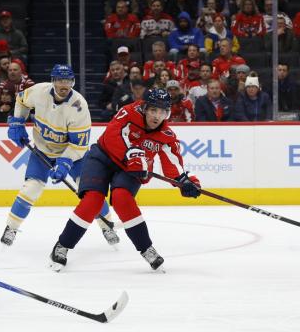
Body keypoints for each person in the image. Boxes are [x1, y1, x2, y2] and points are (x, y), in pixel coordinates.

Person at [48, 89, 201, 272]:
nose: (157, 116)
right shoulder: (128, 112)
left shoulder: (166, 136)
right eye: (153, 110)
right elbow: (113, 135)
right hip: (102, 158)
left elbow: (172, 163)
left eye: (162, 112)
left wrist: (184, 182)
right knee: (93, 201)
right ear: (144, 108)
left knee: (122, 199)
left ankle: (146, 249)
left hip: (131, 168)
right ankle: (62, 245)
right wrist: (132, 154)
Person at [2, 64, 118, 247]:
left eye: (68, 81)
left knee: (91, 192)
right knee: (30, 188)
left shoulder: (79, 107)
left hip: (75, 156)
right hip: (43, 151)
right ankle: (11, 227)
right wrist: (18, 122)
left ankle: (107, 227)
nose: (64, 85)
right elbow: (21, 101)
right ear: (53, 81)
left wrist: (65, 162)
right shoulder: (39, 91)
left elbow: (79, 145)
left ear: (73, 82)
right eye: (60, 80)